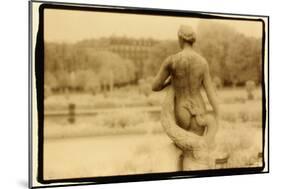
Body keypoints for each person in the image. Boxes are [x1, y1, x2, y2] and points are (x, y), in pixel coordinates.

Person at [152, 25, 220, 148]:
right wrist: (218, 115)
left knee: (184, 149)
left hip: (181, 109)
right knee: (197, 149)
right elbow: (211, 94)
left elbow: (155, 86)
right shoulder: (202, 62)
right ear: (192, 41)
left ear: (180, 39)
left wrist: (170, 81)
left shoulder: (172, 61)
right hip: (199, 108)